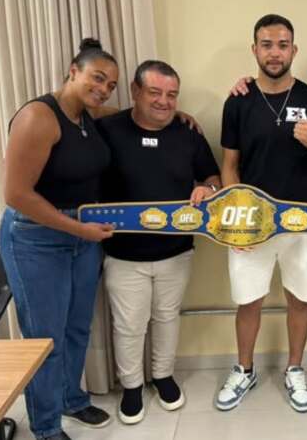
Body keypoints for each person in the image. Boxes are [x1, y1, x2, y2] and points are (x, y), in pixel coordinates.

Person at [215, 14, 307, 413]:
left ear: (294, 50)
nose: (274, 53)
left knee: (300, 300)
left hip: (303, 222)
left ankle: (295, 369)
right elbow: (229, 166)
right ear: (255, 49)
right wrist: (236, 222)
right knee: (248, 301)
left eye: (282, 45)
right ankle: (244, 369)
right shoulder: (238, 101)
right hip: (251, 225)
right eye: (266, 45)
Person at [0, 38, 118, 440]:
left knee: (77, 327)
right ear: (73, 71)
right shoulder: (38, 117)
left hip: (82, 236)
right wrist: (78, 230)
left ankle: (71, 397)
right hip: (36, 239)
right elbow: (16, 194)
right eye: (97, 78)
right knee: (44, 338)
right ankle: (46, 426)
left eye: (110, 85)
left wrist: (173, 114)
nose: (103, 90)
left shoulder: (86, 116)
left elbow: (124, 114)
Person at [97, 60, 221, 424]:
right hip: (122, 253)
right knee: (129, 325)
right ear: (135, 92)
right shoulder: (107, 130)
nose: (164, 102)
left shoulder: (188, 132)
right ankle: (132, 386)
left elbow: (214, 177)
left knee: (167, 317)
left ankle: (163, 376)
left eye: (171, 95)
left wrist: (208, 189)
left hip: (176, 250)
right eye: (155, 93)